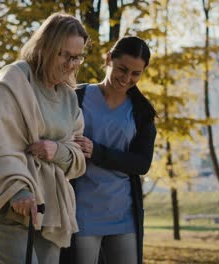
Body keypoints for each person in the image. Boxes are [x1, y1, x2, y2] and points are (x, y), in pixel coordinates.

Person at [0, 13, 89, 264]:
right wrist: (18, 191)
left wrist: (57, 151)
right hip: (5, 207)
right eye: (64, 55)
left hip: (49, 211)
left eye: (77, 57)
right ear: (44, 48)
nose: (71, 64)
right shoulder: (15, 81)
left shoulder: (69, 97)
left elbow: (77, 152)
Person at [67, 36, 157, 264]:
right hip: (81, 210)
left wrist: (97, 152)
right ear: (108, 59)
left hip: (123, 213)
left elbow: (141, 164)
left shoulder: (142, 112)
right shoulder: (77, 97)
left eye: (136, 74)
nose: (127, 78)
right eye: (122, 69)